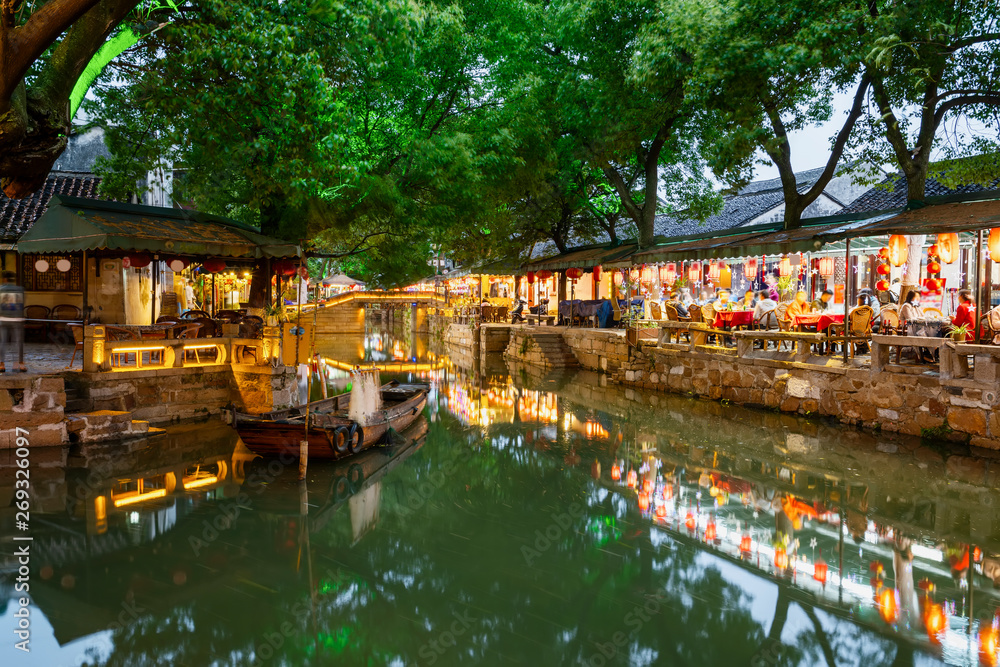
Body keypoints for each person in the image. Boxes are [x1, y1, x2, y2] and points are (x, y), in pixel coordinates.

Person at [0, 271, 26, 373]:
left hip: (3, 318)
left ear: (4, 279)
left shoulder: (0, 289)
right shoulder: (20, 290)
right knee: (18, 342)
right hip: (17, 319)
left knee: (2, 342)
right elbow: (22, 304)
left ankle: (1, 364)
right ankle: (19, 364)